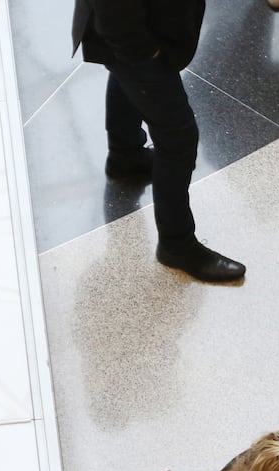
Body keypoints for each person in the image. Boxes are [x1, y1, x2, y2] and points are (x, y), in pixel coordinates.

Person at [71, 0, 246, 282]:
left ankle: (125, 157)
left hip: (131, 30)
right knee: (178, 136)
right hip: (130, 32)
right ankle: (177, 244)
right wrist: (142, 51)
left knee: (125, 74)